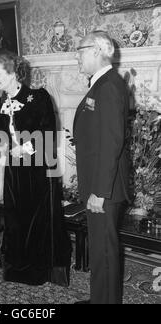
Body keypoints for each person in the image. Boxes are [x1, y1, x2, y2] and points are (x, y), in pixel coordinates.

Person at [0, 51, 71, 286]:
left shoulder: (38, 98)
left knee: (37, 220)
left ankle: (40, 270)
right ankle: (18, 268)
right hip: (14, 172)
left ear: (14, 74)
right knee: (15, 220)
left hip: (38, 170)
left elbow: (47, 132)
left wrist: (23, 149)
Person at [73, 31, 130, 304]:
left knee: (104, 253)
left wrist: (99, 191)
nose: (77, 56)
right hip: (100, 185)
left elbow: (111, 142)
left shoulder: (108, 86)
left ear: (97, 50)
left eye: (80, 50)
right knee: (100, 251)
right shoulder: (102, 84)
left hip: (103, 189)